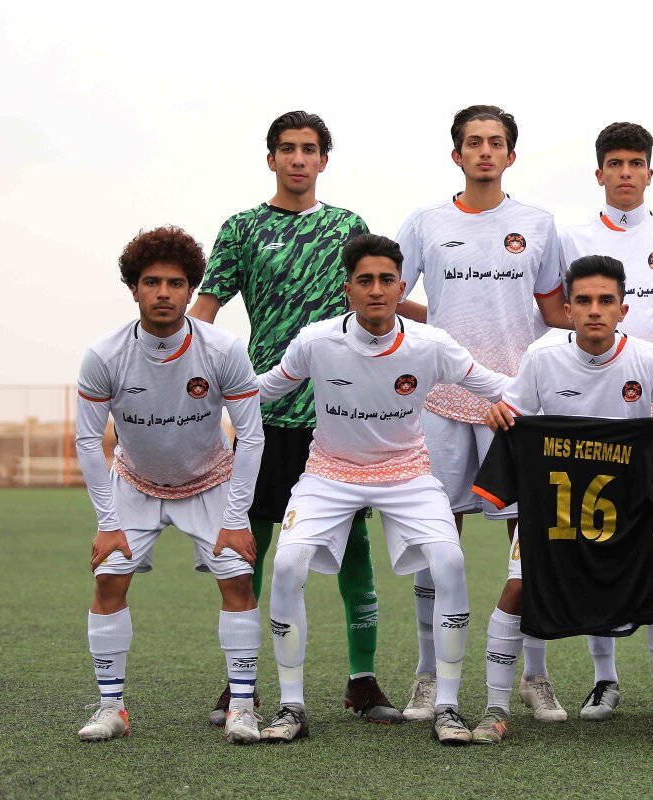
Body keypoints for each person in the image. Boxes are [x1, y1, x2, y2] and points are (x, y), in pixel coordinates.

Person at [254, 234, 507, 745]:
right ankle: (291, 706)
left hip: (406, 473)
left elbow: (500, 386)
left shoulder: (430, 344)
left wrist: (530, 401)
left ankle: (447, 707)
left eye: (386, 280)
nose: (376, 290)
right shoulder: (316, 340)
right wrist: (200, 391)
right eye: (365, 280)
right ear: (347, 288)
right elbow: (263, 389)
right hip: (329, 473)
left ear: (401, 287)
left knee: (449, 561)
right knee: (286, 564)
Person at [188, 111, 396, 725]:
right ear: (271, 158)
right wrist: (181, 370)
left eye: (309, 149)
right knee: (247, 548)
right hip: (264, 416)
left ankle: (362, 681)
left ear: (324, 160)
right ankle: (240, 684)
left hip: (337, 418)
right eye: (287, 149)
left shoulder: (347, 226)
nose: (298, 159)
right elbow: (206, 310)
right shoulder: (243, 228)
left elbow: (377, 295)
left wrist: (443, 317)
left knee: (353, 551)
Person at [471, 254, 653, 744]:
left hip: (629, 512)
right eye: (584, 301)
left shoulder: (649, 359)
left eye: (605, 301)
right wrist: (500, 417)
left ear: (623, 309)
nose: (595, 310)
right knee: (517, 590)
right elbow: (514, 415)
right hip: (554, 512)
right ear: (568, 310)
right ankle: (495, 710)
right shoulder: (541, 358)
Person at [393, 104, 570, 723]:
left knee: (529, 537)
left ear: (511, 155)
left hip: (514, 403)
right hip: (441, 400)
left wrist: (644, 329)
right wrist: (439, 327)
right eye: (474, 142)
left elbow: (555, 310)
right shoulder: (425, 222)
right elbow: (388, 292)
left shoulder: (538, 224)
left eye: (496, 142)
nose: (485, 152)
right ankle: (428, 675)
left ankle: (535, 675)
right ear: (457, 154)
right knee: (435, 539)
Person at [75, 226, 264, 744]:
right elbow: (88, 441)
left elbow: (250, 436)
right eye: (152, 282)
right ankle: (111, 707)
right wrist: (107, 523)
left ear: (190, 289)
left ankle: (241, 708)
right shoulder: (104, 354)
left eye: (176, 283)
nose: (164, 293)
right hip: (135, 482)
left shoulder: (223, 348)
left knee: (238, 581)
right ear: (133, 289)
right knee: (109, 580)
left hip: (210, 481)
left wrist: (236, 518)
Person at [558, 122, 653, 720]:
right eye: (614, 163)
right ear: (599, 173)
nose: (625, 172)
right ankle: (604, 678)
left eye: (635, 162)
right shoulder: (572, 238)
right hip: (594, 424)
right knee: (596, 542)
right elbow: (557, 315)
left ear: (649, 172)